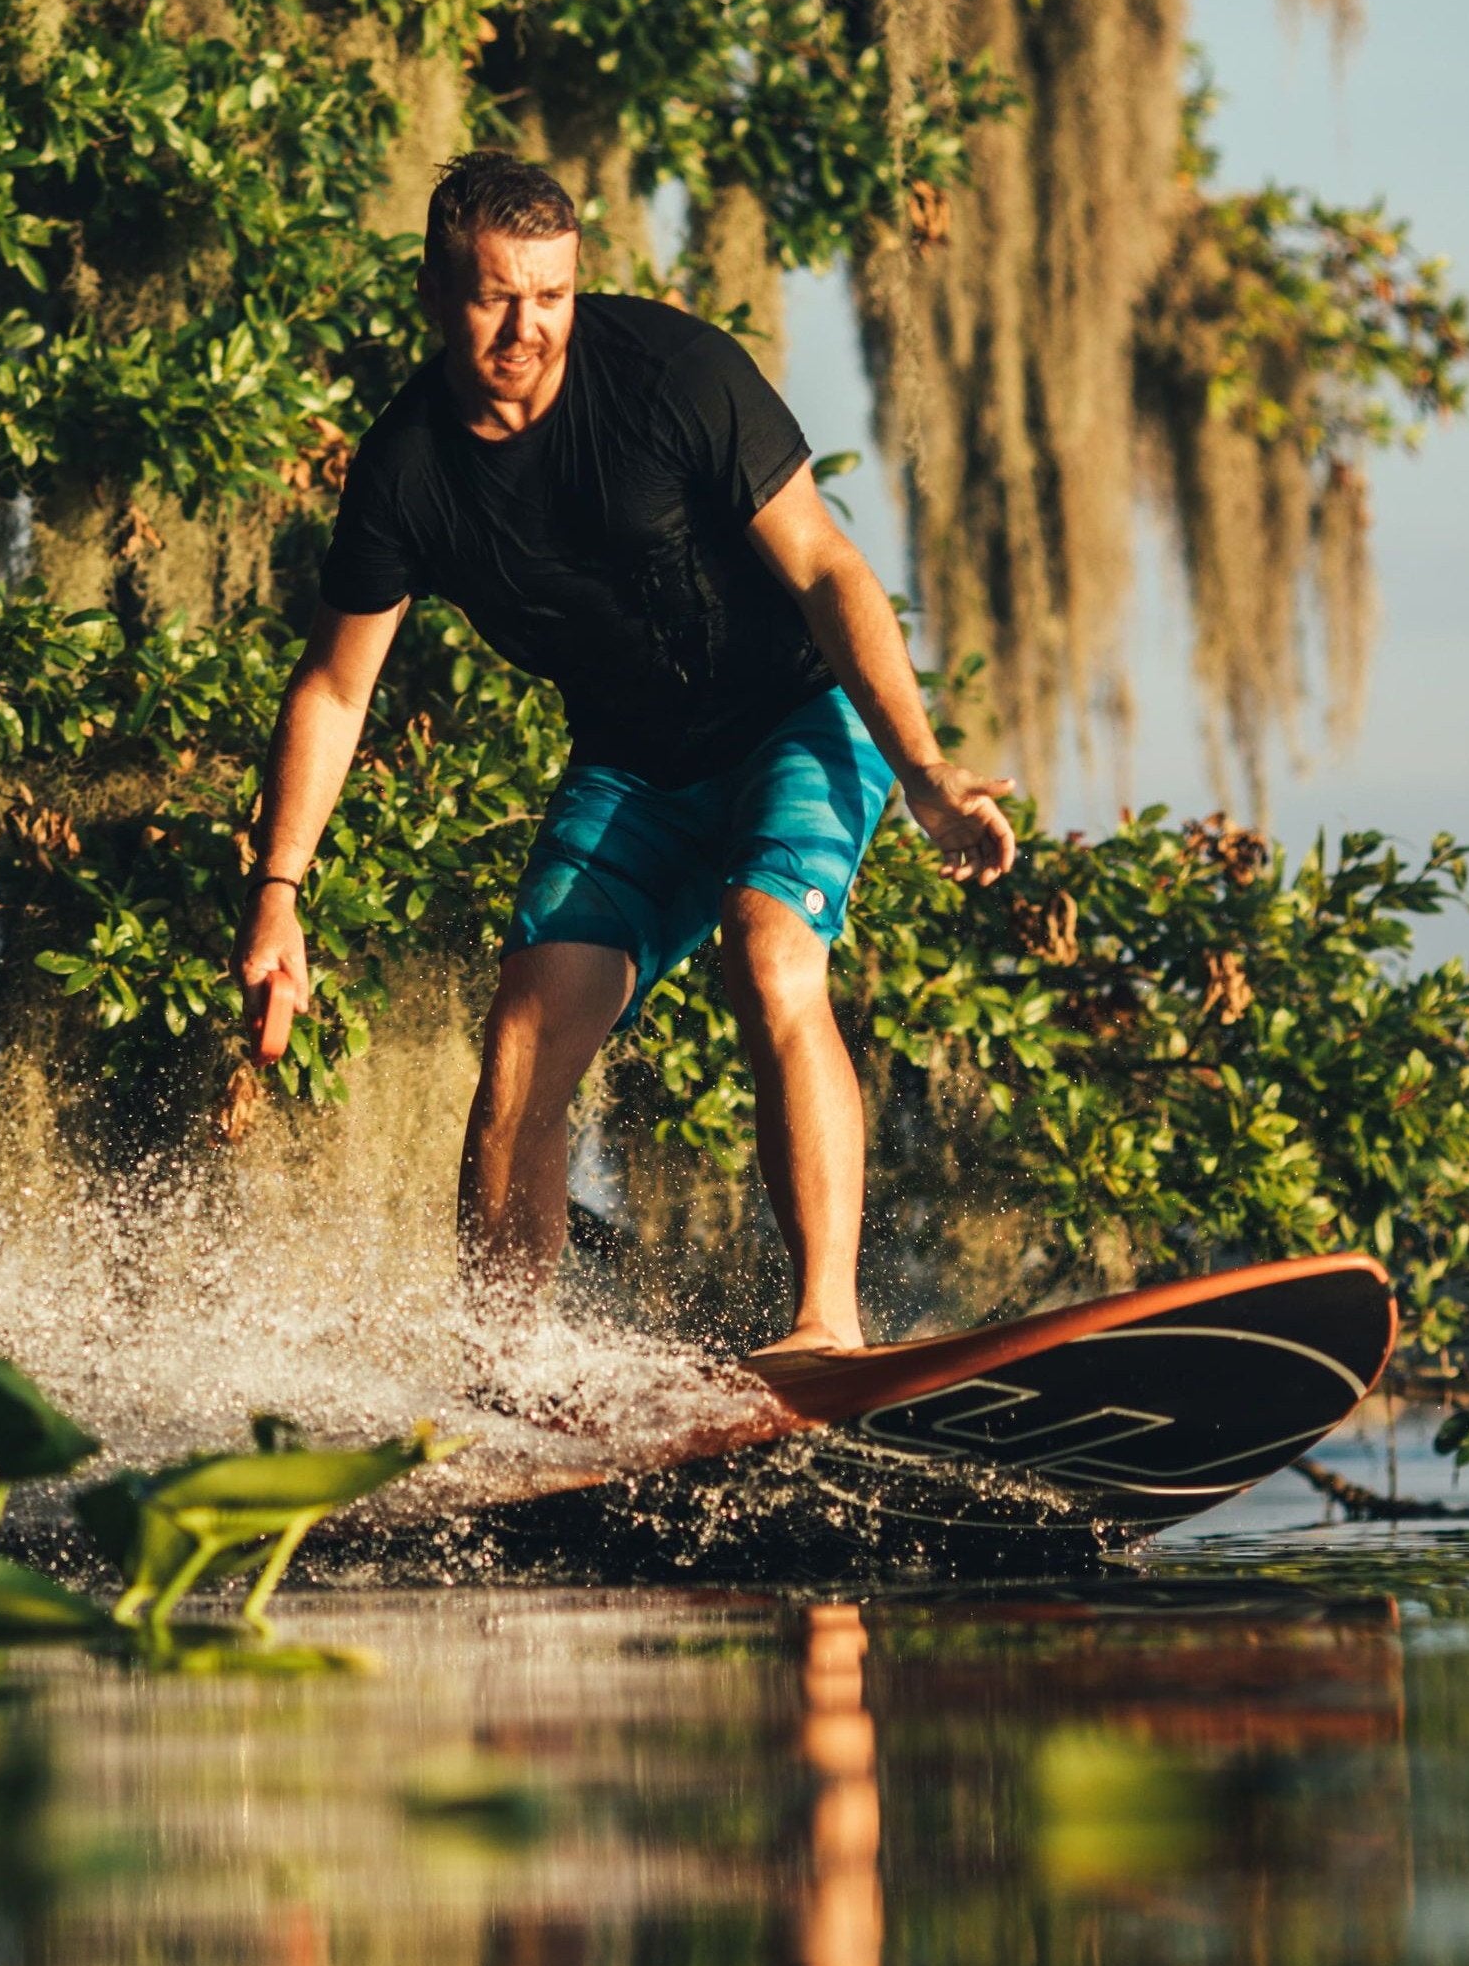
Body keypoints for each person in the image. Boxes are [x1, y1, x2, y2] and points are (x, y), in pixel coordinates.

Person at [234, 152, 1018, 1355]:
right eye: (498, 296)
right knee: (521, 1041)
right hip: (630, 770)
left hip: (797, 720)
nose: (527, 327)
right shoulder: (406, 469)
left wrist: (922, 767)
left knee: (767, 952)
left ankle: (825, 1329)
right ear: (440, 292)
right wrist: (278, 889)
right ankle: (502, 1373)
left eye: (549, 295)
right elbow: (336, 688)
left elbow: (825, 568)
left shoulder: (671, 373)